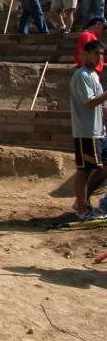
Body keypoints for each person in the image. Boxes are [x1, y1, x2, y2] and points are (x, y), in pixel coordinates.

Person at [69, 40, 107, 221]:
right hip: (86, 131)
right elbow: (90, 102)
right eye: (97, 53)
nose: (100, 57)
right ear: (87, 54)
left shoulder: (93, 76)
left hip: (98, 130)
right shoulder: (82, 75)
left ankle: (82, 201)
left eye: (102, 54)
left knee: (102, 168)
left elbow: (101, 106)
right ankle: (82, 209)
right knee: (84, 170)